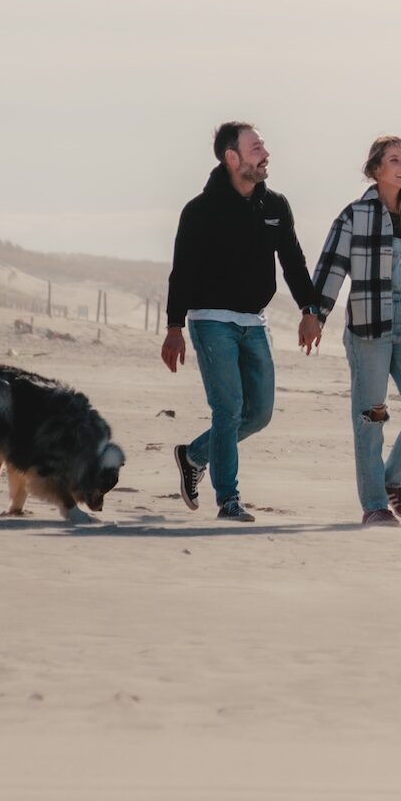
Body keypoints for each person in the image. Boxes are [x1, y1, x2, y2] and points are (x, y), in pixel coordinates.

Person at [300, 135, 401, 527]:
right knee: (370, 415)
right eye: (394, 159)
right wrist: (314, 314)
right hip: (369, 325)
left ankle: (392, 480)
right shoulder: (355, 215)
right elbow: (331, 267)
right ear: (376, 170)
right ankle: (374, 504)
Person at [161, 121, 316, 523]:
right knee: (227, 409)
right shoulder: (199, 211)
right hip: (211, 320)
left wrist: (309, 310)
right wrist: (174, 327)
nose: (265, 155)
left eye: (263, 146)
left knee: (259, 413)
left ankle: (194, 455)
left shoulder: (275, 206)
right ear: (233, 158)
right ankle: (228, 499)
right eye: (255, 148)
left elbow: (294, 263)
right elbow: (181, 272)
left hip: (254, 321)